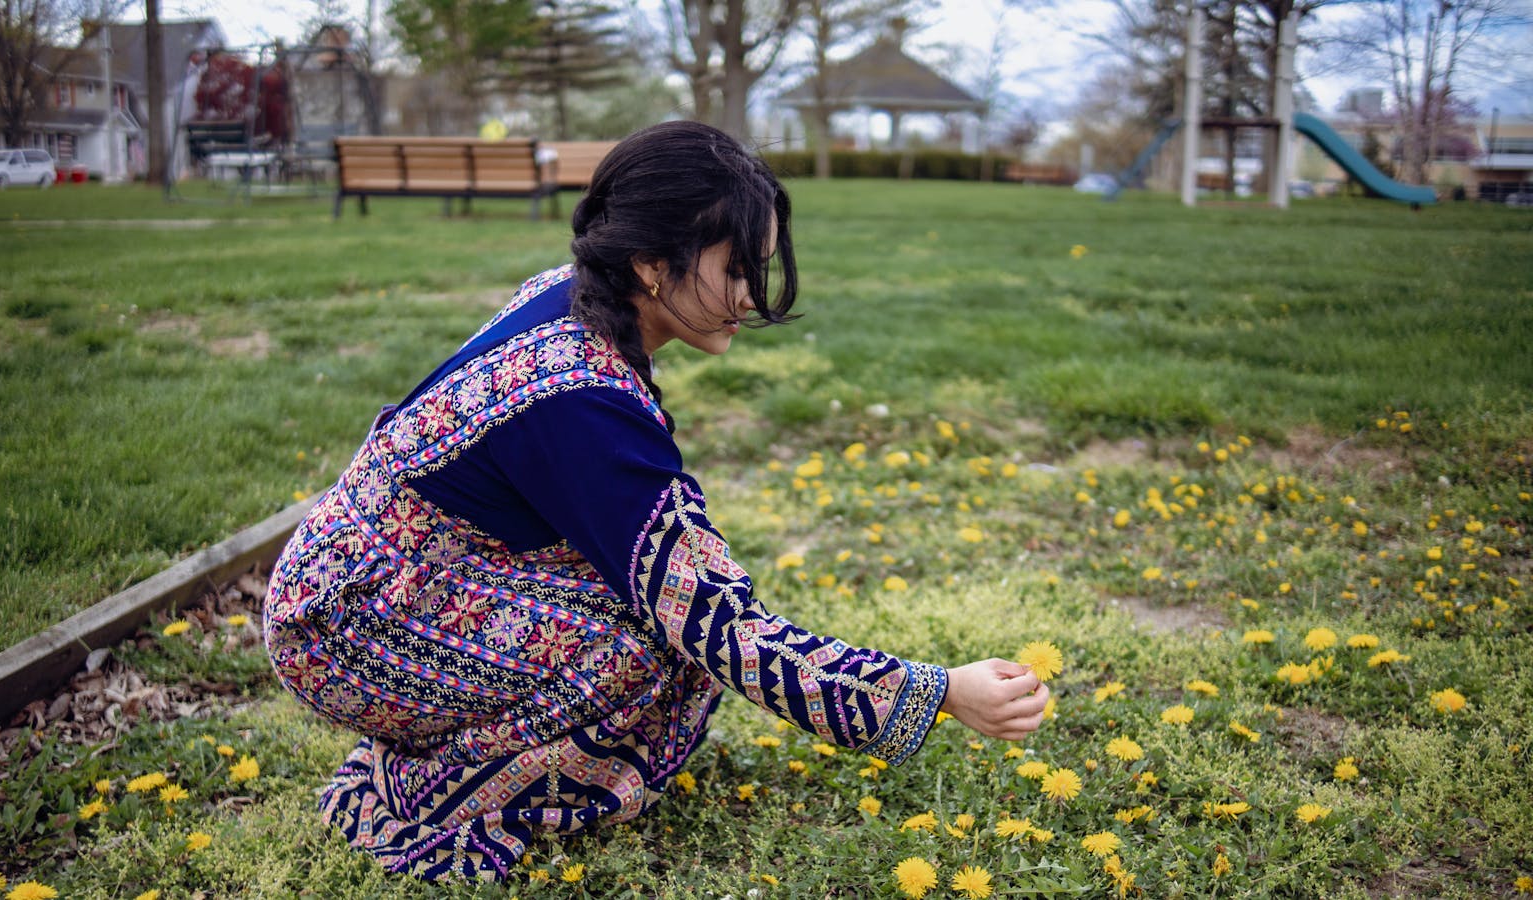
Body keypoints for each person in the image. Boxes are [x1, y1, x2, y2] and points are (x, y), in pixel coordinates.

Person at [262, 121, 1049, 882]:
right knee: (658, 648)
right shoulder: (580, 400)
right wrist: (936, 691)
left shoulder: (571, 300)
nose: (751, 293)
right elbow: (722, 626)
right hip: (342, 626)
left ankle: (438, 751)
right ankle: (425, 803)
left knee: (653, 602)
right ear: (649, 263)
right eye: (736, 268)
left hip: (363, 581)